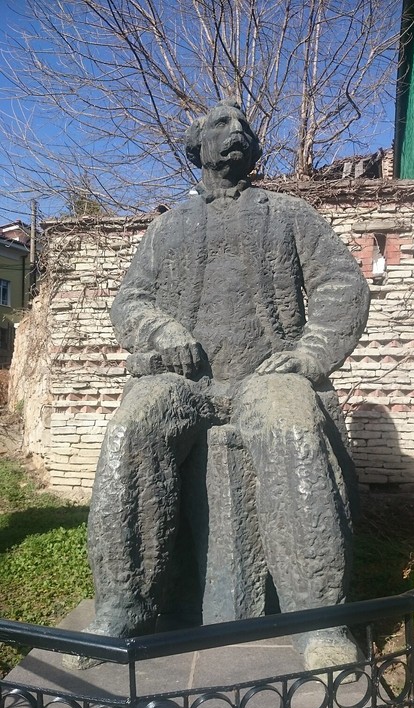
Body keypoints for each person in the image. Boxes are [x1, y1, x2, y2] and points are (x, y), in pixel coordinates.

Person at [82, 99, 370, 671]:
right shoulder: (168, 227)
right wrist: (161, 331)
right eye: (221, 124)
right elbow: (130, 300)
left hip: (263, 379)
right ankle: (125, 606)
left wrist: (308, 357)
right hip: (184, 382)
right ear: (198, 147)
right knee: (131, 428)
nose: (236, 131)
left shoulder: (289, 214)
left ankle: (318, 620)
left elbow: (341, 283)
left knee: (291, 426)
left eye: (245, 125)